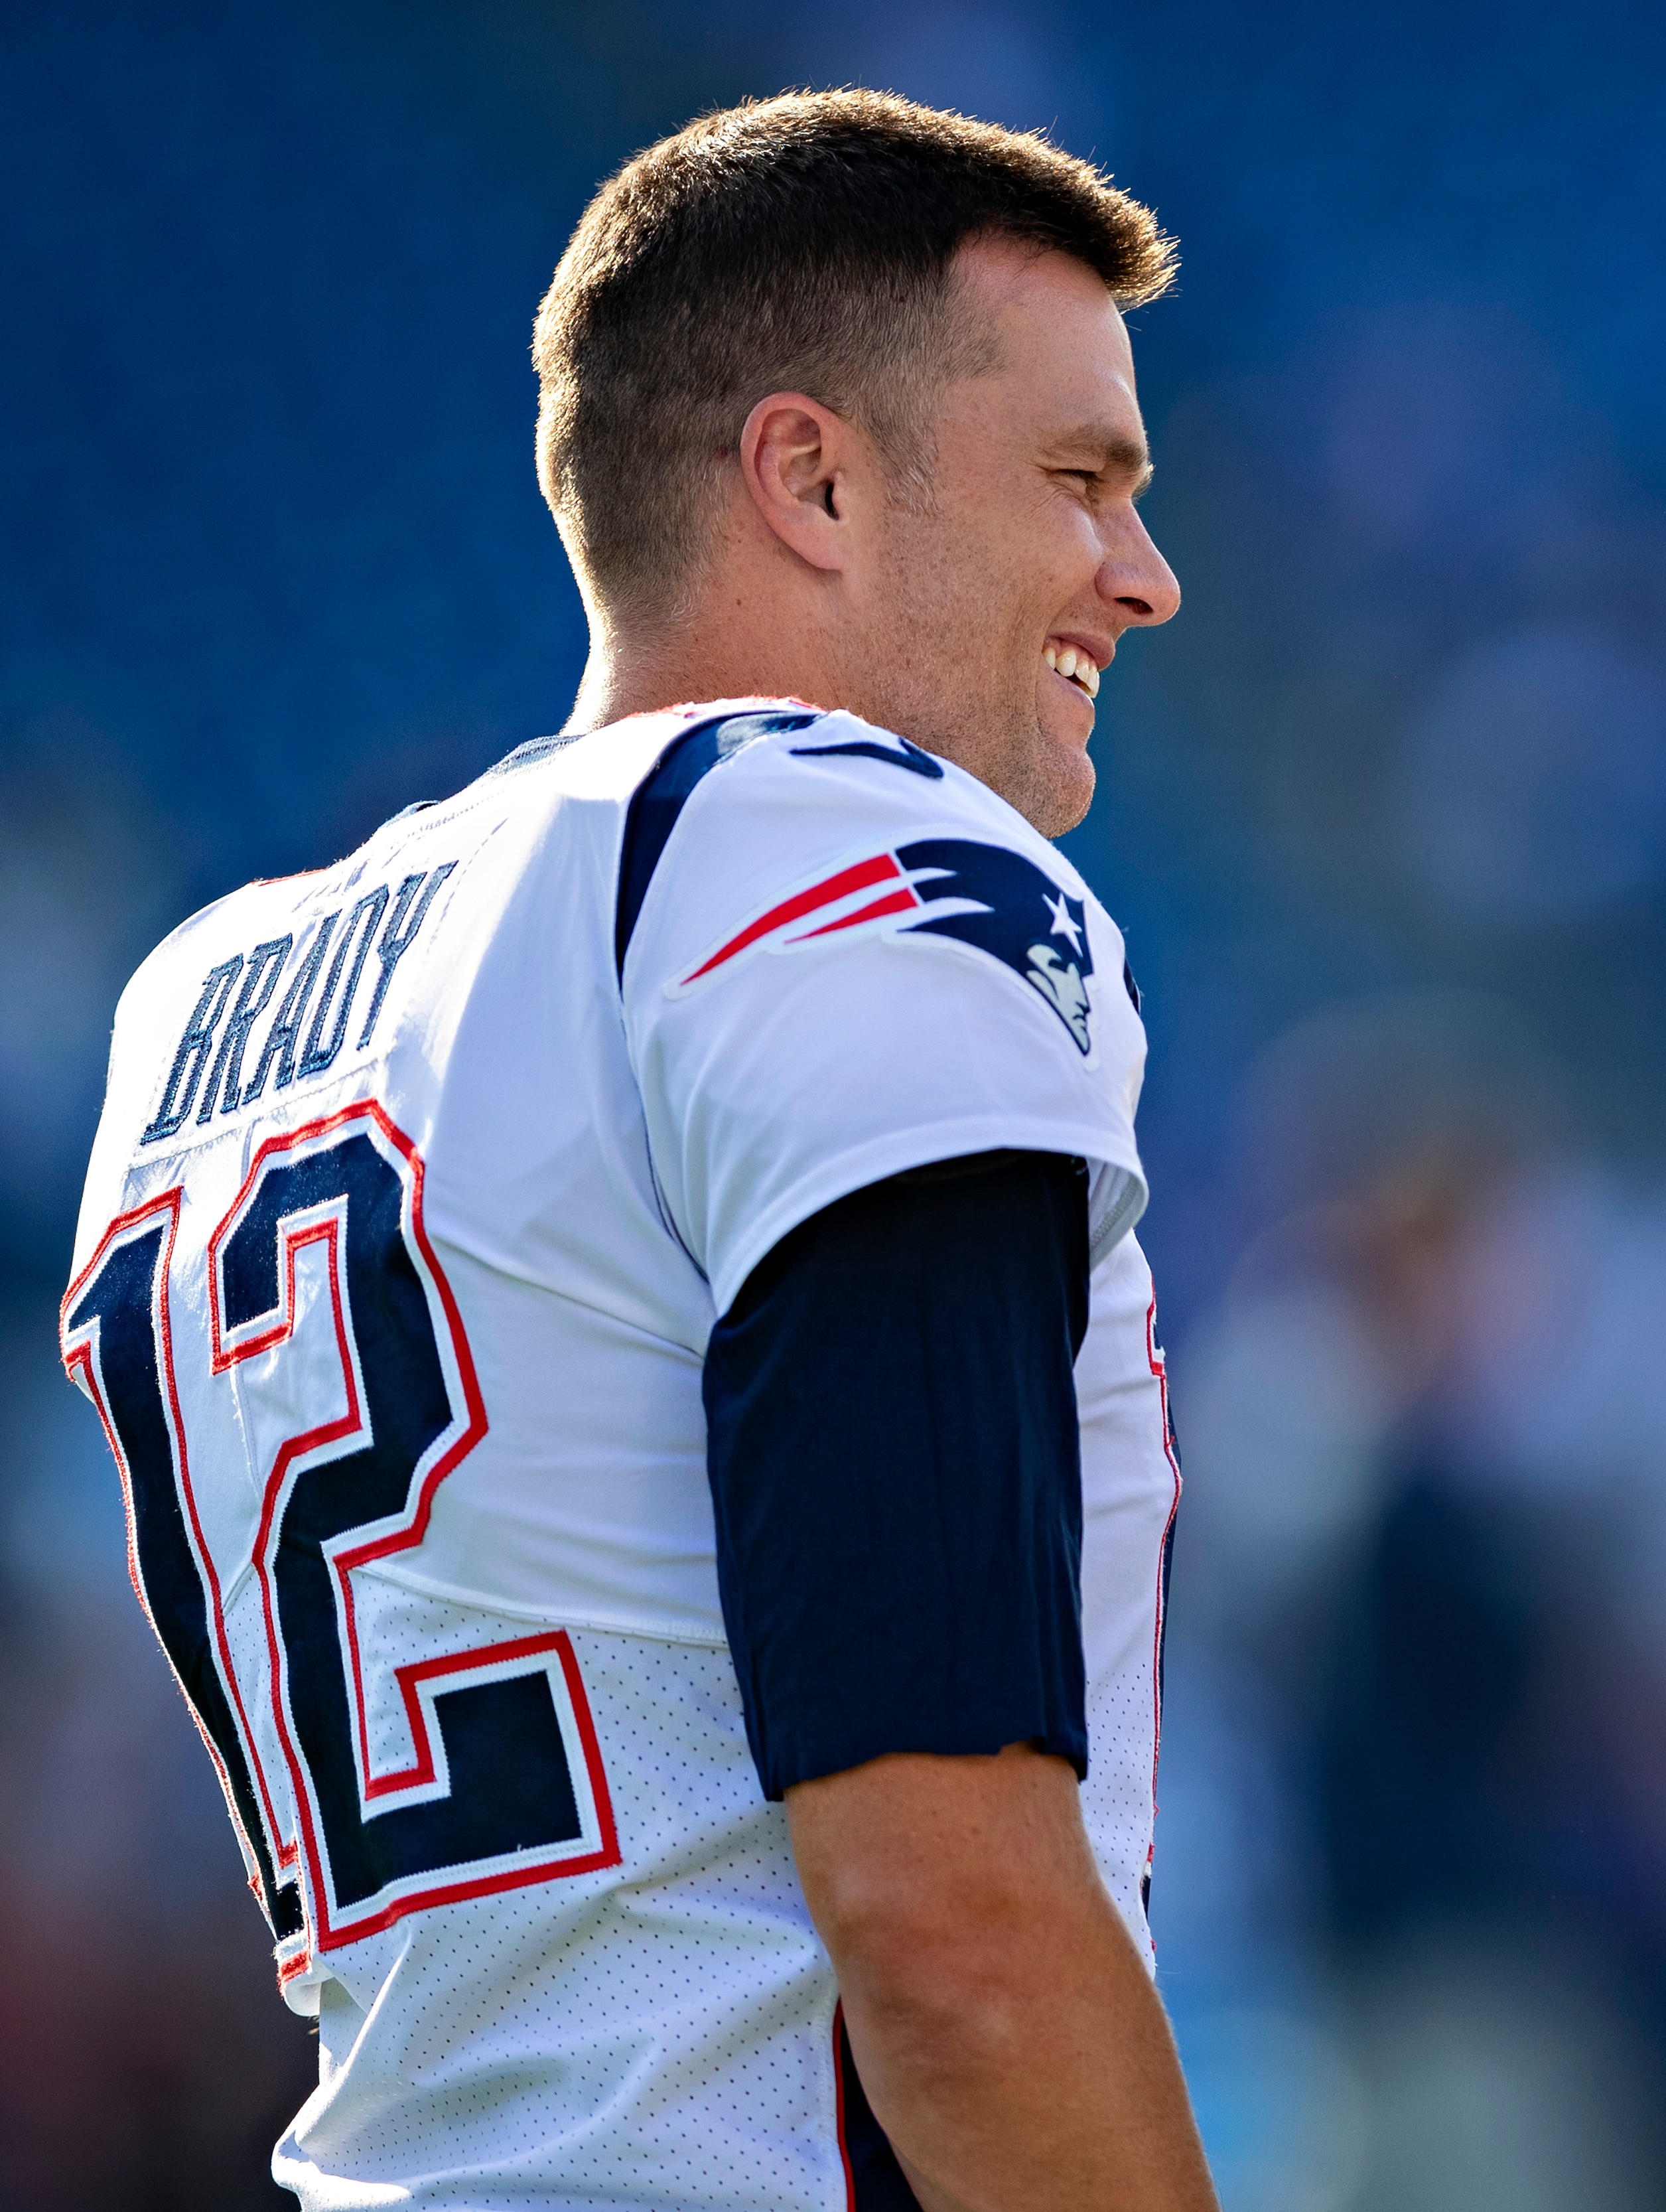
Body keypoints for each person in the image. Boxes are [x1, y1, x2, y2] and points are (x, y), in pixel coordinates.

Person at [54, 92, 1212, 2208]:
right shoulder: (834, 844)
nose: (1142, 573)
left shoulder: (207, 998)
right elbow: (949, 1930)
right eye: (1079, 480)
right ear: (813, 475)